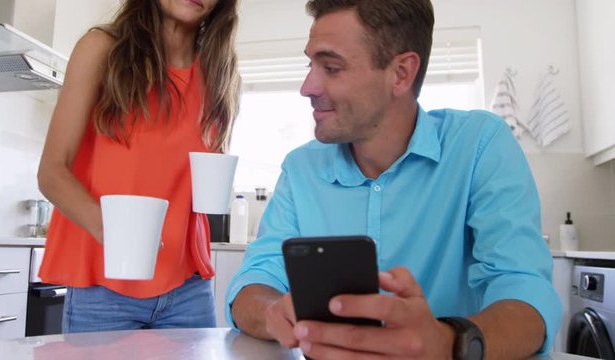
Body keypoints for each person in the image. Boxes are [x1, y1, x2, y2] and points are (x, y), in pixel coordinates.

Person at [226, 0, 561, 359]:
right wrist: (272, 312)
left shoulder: (479, 145)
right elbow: (252, 284)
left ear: (401, 73)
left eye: (331, 67)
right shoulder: (300, 169)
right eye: (311, 65)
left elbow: (526, 293)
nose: (307, 87)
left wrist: (449, 342)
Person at [37, 0, 240, 332]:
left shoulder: (219, 72)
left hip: (188, 287)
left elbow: (201, 177)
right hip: (104, 288)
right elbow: (51, 172)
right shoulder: (101, 48)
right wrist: (111, 230)